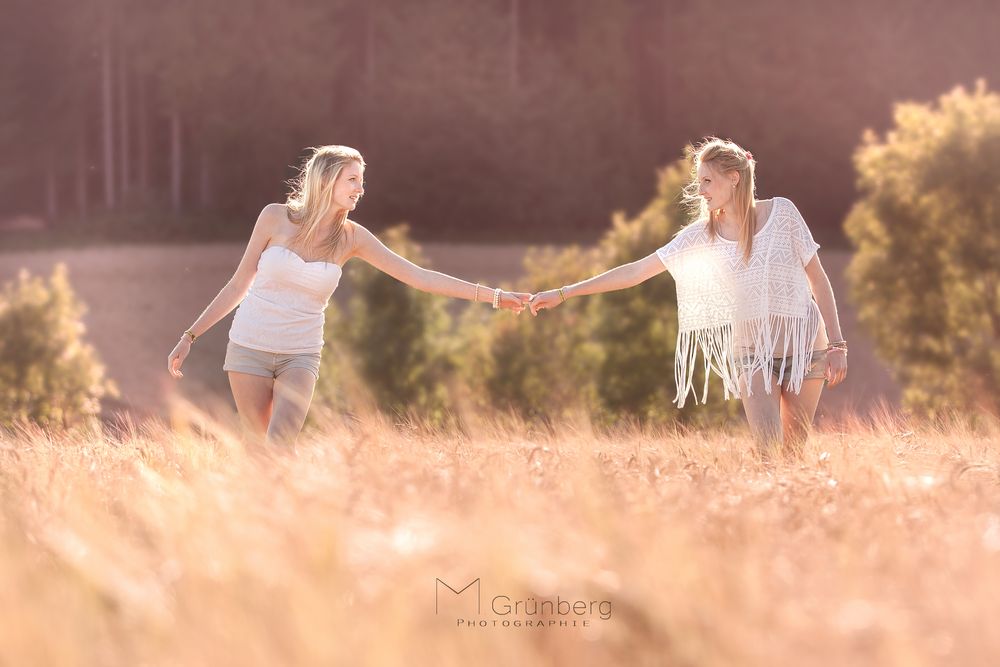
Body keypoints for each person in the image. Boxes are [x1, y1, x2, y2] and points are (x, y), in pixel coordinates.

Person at [167, 145, 530, 451]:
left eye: (362, 180)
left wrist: (494, 296)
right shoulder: (274, 218)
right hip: (248, 347)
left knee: (280, 444)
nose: (361, 188)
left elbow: (419, 277)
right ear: (326, 180)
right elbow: (237, 285)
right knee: (259, 449)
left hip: (301, 353)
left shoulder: (352, 238)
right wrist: (189, 337)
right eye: (352, 180)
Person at [529, 138, 848, 458]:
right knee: (768, 452)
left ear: (734, 177)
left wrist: (837, 345)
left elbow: (818, 280)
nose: (701, 191)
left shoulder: (784, 214)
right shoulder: (701, 235)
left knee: (793, 455)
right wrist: (565, 292)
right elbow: (635, 272)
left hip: (806, 347)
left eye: (707, 181)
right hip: (752, 354)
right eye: (699, 183)